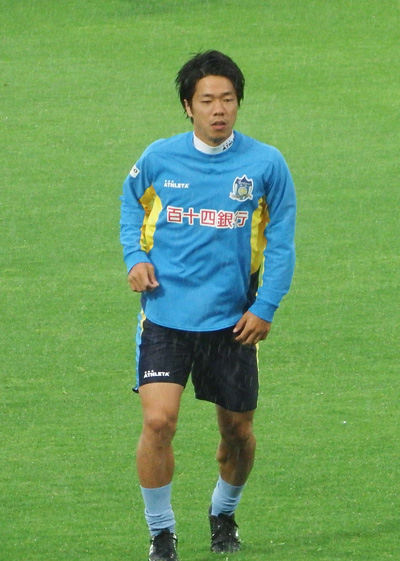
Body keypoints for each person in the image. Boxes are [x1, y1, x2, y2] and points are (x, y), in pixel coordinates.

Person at [120, 50, 296, 561]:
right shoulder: (159, 158)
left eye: (228, 99)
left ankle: (223, 512)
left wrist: (265, 306)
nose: (219, 109)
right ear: (187, 106)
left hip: (233, 324)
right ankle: (161, 532)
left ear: (239, 103)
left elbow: (282, 243)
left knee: (236, 433)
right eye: (207, 100)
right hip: (165, 317)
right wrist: (135, 257)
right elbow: (131, 205)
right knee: (158, 422)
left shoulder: (266, 164)